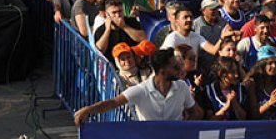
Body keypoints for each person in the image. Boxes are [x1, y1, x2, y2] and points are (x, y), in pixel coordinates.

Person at [73, 48, 203, 124]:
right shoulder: (141, 90)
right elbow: (113, 102)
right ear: (162, 71)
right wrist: (88, 110)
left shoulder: (181, 87)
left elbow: (195, 112)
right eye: (175, 67)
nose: (180, 70)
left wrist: (184, 128)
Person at [245, 45, 276, 119]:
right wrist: (269, 103)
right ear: (262, 65)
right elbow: (254, 115)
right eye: (270, 63)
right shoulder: (253, 83)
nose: (274, 66)